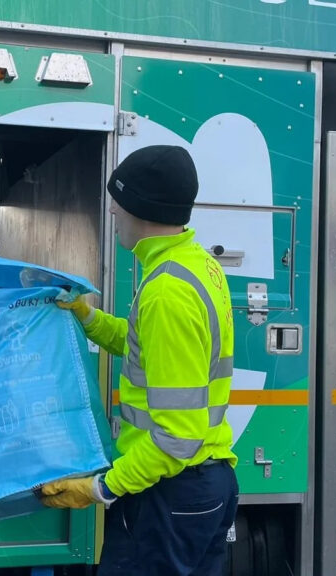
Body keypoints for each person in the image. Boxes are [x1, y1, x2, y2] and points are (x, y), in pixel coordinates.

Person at [40, 145, 239, 576]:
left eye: (118, 204)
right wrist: (85, 315)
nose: (112, 214)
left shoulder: (167, 289)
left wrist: (100, 488)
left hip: (170, 492)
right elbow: (145, 348)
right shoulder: (198, 265)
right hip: (205, 481)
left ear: (140, 210)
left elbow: (176, 438)